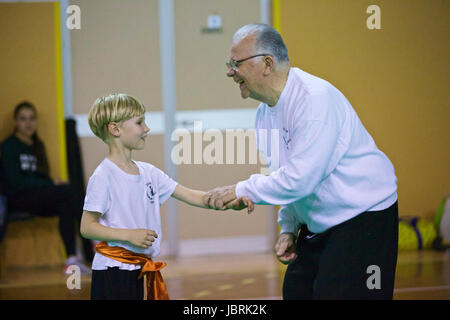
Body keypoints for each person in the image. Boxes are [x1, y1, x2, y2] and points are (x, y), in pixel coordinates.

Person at [203, 23, 399, 300]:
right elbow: (284, 174)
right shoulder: (264, 114)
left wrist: (242, 189)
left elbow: (301, 178)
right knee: (297, 291)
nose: (229, 71)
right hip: (320, 222)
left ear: (267, 63)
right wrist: (289, 228)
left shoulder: (314, 100)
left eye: (236, 63)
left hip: (363, 216)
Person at [80, 93, 253, 300]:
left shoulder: (149, 172)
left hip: (136, 268)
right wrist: (129, 235)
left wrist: (231, 201)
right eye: (139, 122)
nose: (147, 129)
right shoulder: (103, 176)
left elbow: (194, 196)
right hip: (112, 271)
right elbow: (87, 226)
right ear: (115, 129)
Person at [0, 101, 92, 273]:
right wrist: (50, 184)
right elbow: (16, 183)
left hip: (35, 196)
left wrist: (49, 184)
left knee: (65, 202)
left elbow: (42, 177)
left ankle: (71, 259)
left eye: (32, 119)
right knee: (67, 191)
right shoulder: (8, 146)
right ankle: (93, 237)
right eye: (23, 119)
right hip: (16, 198)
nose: (28, 123)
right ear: (15, 122)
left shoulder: (37, 145)